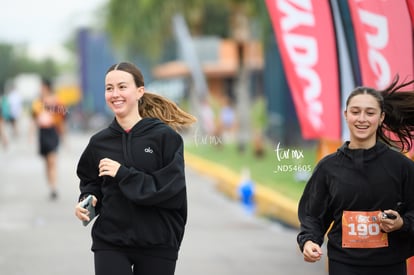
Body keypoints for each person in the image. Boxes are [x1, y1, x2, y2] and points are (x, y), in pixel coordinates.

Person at [74, 61, 197, 275]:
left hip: (158, 242)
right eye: (109, 88)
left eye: (122, 87)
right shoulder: (99, 142)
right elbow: (91, 182)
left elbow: (170, 190)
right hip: (111, 241)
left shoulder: (165, 138)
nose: (115, 94)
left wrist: (123, 174)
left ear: (140, 91)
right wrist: (88, 199)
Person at [297, 76, 414, 275]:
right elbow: (312, 216)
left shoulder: (402, 166)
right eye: (355, 112)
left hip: (390, 266)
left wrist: (401, 223)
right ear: (346, 115)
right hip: (343, 265)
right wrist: (309, 241)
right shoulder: (328, 167)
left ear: (381, 118)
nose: (362, 119)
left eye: (370, 113)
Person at [31, 78, 66, 200]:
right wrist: (31, 135)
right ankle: (51, 185)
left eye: (42, 87)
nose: (40, 89)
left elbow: (62, 120)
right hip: (43, 133)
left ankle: (54, 187)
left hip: (53, 131)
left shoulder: (57, 102)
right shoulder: (38, 102)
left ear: (47, 87)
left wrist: (64, 137)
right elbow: (34, 119)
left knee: (52, 160)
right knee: (47, 162)